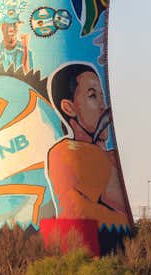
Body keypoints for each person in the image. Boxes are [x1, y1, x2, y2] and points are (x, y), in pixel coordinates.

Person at [47, 63, 130, 227]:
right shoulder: (68, 153)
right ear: (69, 108)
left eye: (102, 96)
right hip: (82, 242)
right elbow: (79, 210)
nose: (102, 106)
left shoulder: (104, 157)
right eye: (92, 96)